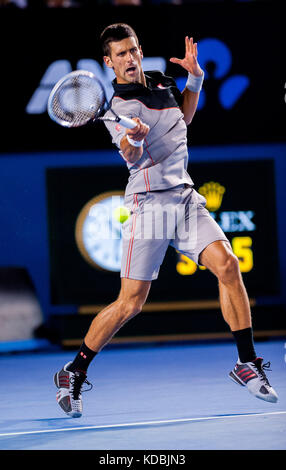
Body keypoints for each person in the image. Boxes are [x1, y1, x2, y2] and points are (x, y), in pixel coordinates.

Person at [54, 23, 278, 418]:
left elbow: (186, 118)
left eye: (134, 50)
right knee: (130, 303)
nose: (130, 58)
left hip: (185, 196)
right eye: (121, 54)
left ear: (141, 51)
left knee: (228, 265)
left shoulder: (162, 82)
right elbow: (130, 156)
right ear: (108, 62)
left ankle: (247, 363)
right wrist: (136, 138)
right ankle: (73, 371)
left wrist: (195, 78)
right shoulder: (117, 109)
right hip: (149, 205)